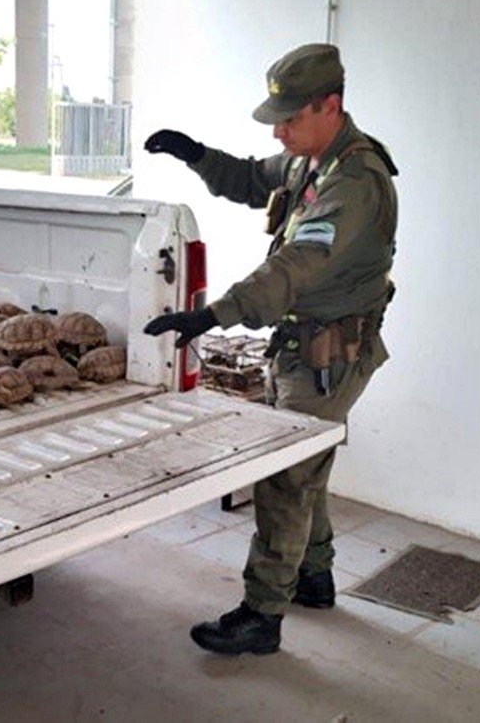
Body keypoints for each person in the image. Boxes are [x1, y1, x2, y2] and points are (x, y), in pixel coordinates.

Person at [143, 43, 399, 656]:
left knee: (284, 477)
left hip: (328, 354)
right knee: (308, 464)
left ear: (329, 106)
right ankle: (313, 576)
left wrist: (214, 313)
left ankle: (262, 615)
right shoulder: (308, 161)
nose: (279, 130)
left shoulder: (355, 181)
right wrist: (194, 154)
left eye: (288, 118)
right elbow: (249, 180)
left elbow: (297, 263)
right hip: (305, 348)